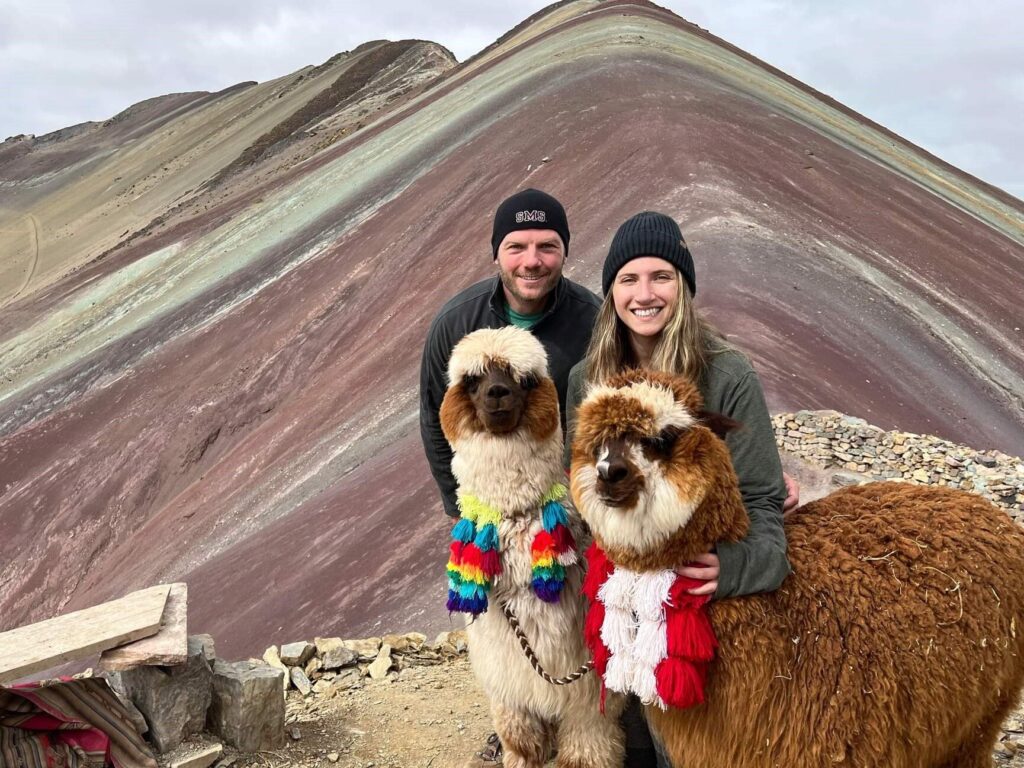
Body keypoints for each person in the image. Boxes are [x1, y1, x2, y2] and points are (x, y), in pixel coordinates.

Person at [564, 211, 798, 767]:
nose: (645, 294)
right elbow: (579, 490)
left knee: (692, 745)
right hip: (617, 592)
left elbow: (762, 496)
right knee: (629, 743)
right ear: (611, 293)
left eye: (661, 277)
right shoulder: (584, 380)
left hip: (692, 597)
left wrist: (737, 567)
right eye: (629, 279)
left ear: (684, 287)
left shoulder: (726, 375)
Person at [419, 188, 600, 765]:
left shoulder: (593, 322)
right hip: (489, 517)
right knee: (501, 646)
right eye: (517, 245)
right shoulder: (459, 323)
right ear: (497, 252)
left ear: (564, 251)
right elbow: (434, 413)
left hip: (567, 510)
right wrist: (464, 510)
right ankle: (519, 735)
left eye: (547, 246)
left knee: (578, 650)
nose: (532, 260)